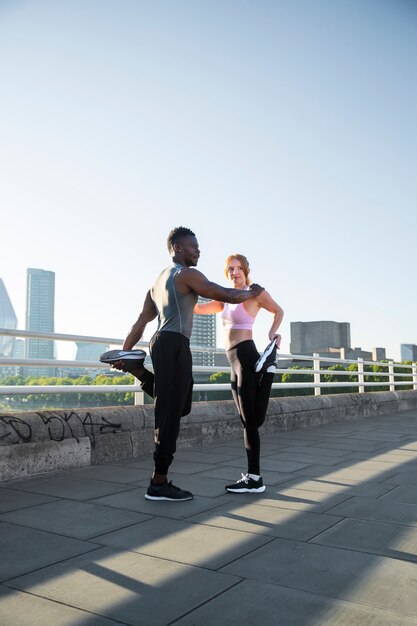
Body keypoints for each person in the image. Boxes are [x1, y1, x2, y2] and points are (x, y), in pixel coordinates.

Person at [107, 228, 264, 502]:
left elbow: (140, 323)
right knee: (168, 413)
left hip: (164, 343)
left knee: (181, 405)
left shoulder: (158, 282)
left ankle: (139, 371)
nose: (198, 251)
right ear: (178, 248)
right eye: (193, 246)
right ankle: (159, 482)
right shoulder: (186, 274)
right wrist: (252, 291)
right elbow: (222, 293)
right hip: (173, 344)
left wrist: (126, 352)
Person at [194, 253, 283, 494]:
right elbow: (199, 308)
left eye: (238, 268)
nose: (235, 272)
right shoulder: (226, 298)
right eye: (230, 269)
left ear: (245, 270)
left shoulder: (254, 293)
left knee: (252, 421)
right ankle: (254, 478)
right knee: (247, 421)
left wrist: (273, 333)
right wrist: (181, 293)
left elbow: (278, 311)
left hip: (246, 355)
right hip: (231, 360)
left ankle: (255, 478)